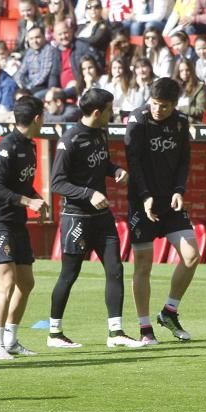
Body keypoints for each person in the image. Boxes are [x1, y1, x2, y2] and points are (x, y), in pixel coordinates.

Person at [48, 87, 141, 350]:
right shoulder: (70, 140)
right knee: (69, 274)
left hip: (102, 217)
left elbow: (100, 164)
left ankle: (116, 332)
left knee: (115, 269)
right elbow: (57, 182)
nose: (112, 114)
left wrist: (116, 170)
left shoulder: (101, 132)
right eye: (110, 110)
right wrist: (88, 193)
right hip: (76, 218)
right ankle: (54, 333)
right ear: (98, 112)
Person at [125, 78, 199, 346]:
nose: (157, 110)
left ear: (174, 105)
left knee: (192, 256)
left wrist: (179, 190)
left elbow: (184, 160)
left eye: (164, 106)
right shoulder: (138, 121)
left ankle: (169, 312)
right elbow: (134, 162)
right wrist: (145, 197)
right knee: (144, 263)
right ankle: (145, 328)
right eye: (154, 104)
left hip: (170, 203)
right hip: (141, 202)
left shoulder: (180, 122)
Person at [0, 96, 49, 360]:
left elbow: (19, 184)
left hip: (15, 220)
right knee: (6, 282)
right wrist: (28, 200)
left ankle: (10, 339)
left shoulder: (29, 146)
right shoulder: (6, 147)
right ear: (38, 119)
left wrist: (35, 200)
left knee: (26, 282)